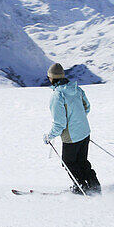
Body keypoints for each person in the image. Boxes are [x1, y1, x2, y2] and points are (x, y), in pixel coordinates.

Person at [43, 63, 101, 195]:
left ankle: (80, 188)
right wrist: (78, 121)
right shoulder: (76, 89)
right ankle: (94, 185)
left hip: (71, 137)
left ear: (52, 78)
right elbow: (87, 107)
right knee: (82, 161)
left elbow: (60, 124)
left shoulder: (57, 96)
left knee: (69, 163)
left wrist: (49, 136)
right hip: (85, 132)